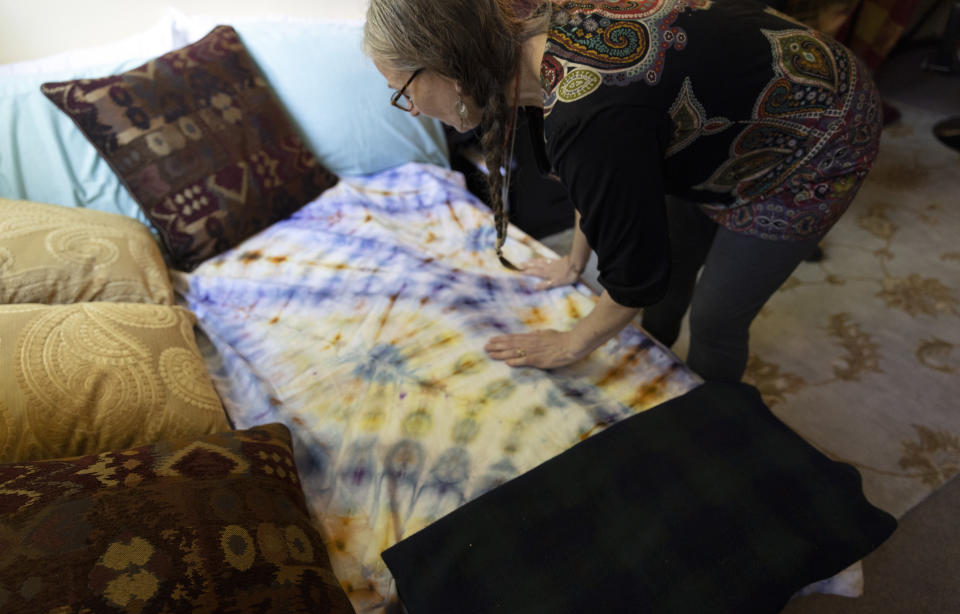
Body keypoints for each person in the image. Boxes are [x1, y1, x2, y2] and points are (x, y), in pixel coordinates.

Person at [364, 0, 881, 382]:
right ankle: (661, 360)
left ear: (449, 70)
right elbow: (607, 192)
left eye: (401, 92)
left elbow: (634, 278)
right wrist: (573, 264)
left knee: (716, 317)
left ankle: (710, 423)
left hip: (824, 129)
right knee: (673, 270)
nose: (409, 108)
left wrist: (571, 344)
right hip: (735, 111)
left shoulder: (588, 116)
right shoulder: (516, 45)